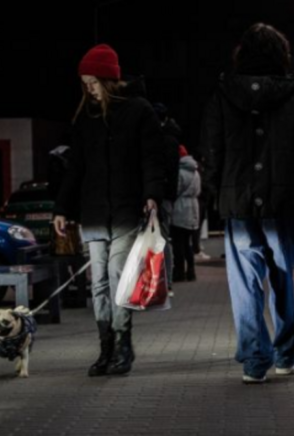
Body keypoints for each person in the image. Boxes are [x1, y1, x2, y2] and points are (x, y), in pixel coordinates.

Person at [201, 23, 294, 383]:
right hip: (283, 201)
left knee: (244, 282)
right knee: (282, 277)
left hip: (237, 201)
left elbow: (211, 148)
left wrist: (215, 193)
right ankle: (286, 352)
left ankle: (255, 359)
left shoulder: (224, 94)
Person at [53, 44, 165, 377]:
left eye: (93, 82)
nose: (88, 88)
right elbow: (75, 167)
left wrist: (152, 195)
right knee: (98, 281)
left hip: (127, 209)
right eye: (84, 83)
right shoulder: (85, 117)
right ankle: (106, 347)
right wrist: (62, 208)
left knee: (118, 274)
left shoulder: (139, 110)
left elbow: (152, 156)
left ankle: (122, 344)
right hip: (94, 211)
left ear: (108, 79)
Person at [153, 102, 181, 295]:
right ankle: (163, 283)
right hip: (165, 196)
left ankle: (165, 283)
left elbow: (167, 171)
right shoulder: (172, 139)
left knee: (161, 239)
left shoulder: (165, 140)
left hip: (161, 196)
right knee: (162, 239)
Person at [171, 145, 201, 282]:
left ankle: (179, 272)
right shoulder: (195, 171)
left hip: (180, 209)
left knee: (178, 243)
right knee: (188, 242)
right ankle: (191, 271)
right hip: (193, 208)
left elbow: (175, 190)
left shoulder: (180, 172)